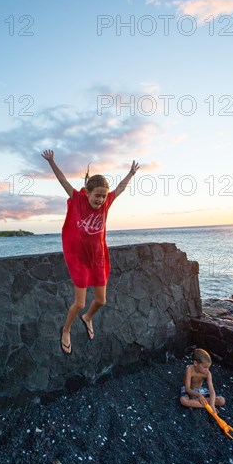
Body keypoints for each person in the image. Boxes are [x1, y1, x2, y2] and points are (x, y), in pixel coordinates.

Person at [41, 149, 139, 355]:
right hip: (79, 259)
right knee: (80, 303)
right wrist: (51, 161)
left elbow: (120, 189)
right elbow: (62, 180)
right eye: (98, 195)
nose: (101, 199)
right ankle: (66, 330)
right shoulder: (78, 199)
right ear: (87, 192)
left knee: (101, 301)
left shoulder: (106, 204)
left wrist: (130, 173)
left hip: (98, 258)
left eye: (104, 196)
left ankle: (88, 318)